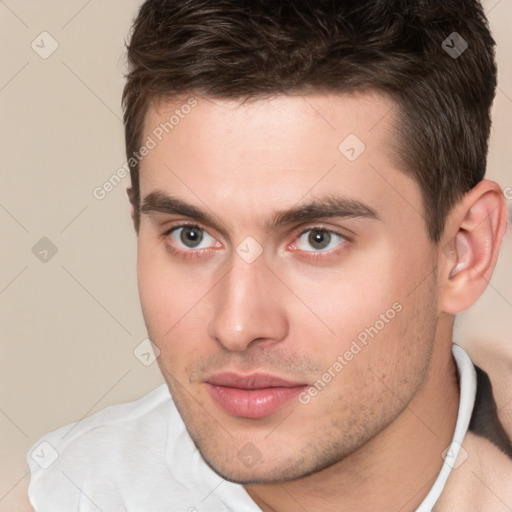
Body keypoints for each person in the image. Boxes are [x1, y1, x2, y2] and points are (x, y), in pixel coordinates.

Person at [27, 0, 512, 510]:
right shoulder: (69, 493)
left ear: (464, 251)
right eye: (190, 235)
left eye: (318, 239)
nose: (237, 326)